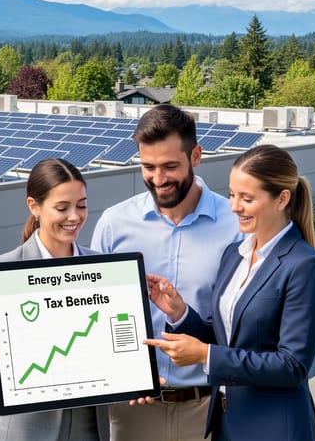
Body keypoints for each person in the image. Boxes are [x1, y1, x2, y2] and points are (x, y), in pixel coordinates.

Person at [144, 144, 315, 440]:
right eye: (232, 195)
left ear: (282, 199)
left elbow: (292, 365)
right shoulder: (235, 254)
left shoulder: (304, 266)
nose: (234, 207)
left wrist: (205, 356)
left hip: (275, 427)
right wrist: (179, 313)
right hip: (229, 423)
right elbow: (227, 339)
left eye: (247, 198)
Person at [90, 104, 242, 441]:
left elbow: (240, 324)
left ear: (196, 156)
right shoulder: (114, 225)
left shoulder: (236, 227)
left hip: (205, 412)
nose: (158, 180)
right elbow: (93, 315)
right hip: (131, 413)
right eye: (148, 167)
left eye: (170, 166)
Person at [0, 158, 108, 441]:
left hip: (90, 430)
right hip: (24, 432)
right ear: (34, 207)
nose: (75, 216)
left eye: (81, 205)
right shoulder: (5, 270)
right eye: (62, 208)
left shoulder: (103, 269)